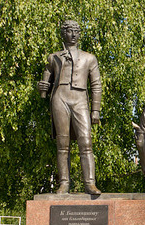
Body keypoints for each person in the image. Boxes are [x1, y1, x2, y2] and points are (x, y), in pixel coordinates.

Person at [38, 19, 102, 195]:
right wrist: (42, 87)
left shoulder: (89, 58)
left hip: (80, 99)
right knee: (62, 143)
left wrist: (95, 110)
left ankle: (90, 183)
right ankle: (64, 183)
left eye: (76, 30)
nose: (73, 34)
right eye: (69, 30)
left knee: (86, 142)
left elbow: (96, 85)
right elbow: (46, 82)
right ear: (63, 33)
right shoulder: (53, 57)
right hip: (60, 98)